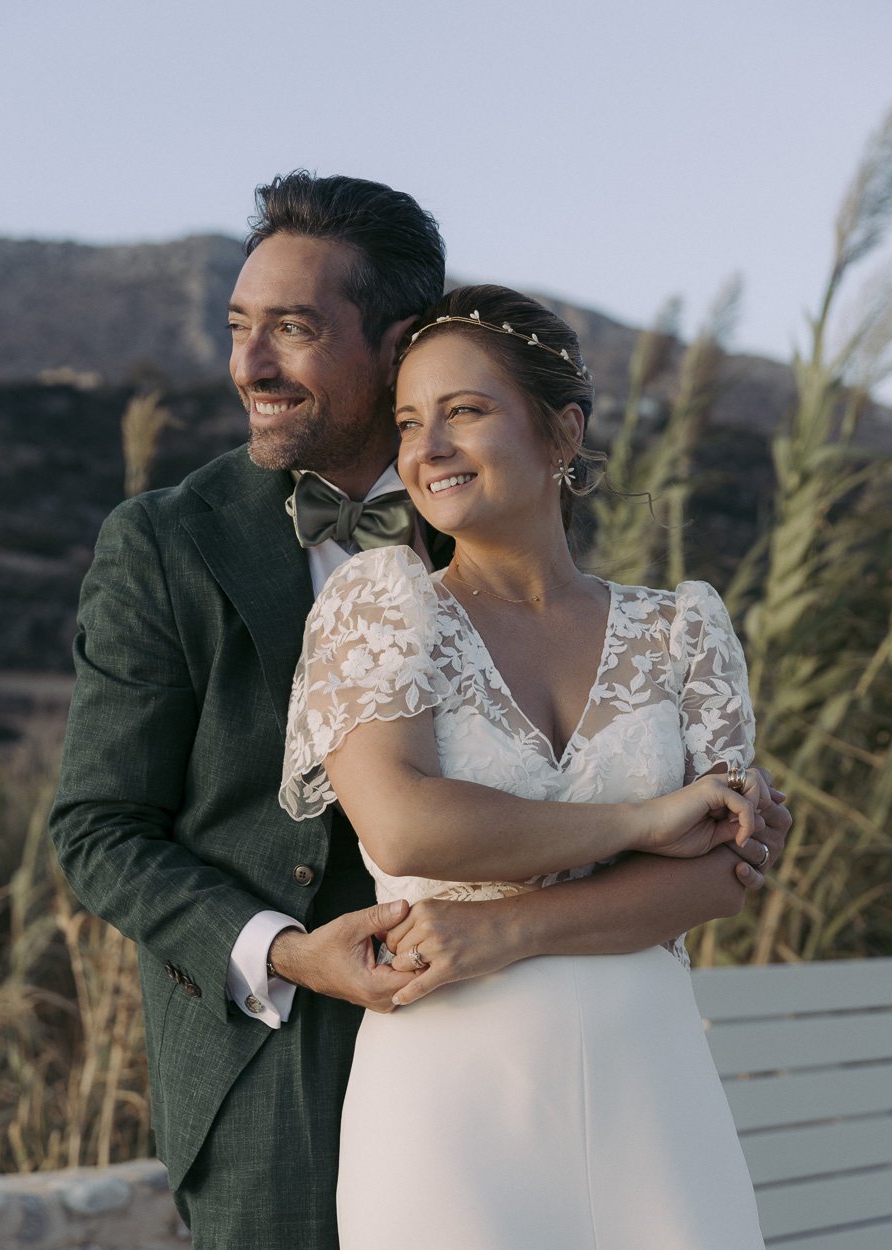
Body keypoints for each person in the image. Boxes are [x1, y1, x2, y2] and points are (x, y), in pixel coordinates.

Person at [50, 173, 787, 1250]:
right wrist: (288, 952)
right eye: (239, 327)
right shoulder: (165, 542)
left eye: (293, 329)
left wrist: (707, 823)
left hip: (601, 1066)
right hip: (282, 1065)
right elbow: (96, 827)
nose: (249, 364)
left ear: (397, 341)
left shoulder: (502, 527)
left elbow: (704, 838)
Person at [280, 285, 770, 1248]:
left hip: (654, 1093)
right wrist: (645, 822)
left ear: (561, 434)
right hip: (449, 1105)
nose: (427, 448)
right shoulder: (380, 606)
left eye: (465, 411)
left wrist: (502, 929)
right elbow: (406, 824)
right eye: (410, 422)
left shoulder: (682, 630)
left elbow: (726, 869)